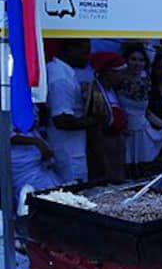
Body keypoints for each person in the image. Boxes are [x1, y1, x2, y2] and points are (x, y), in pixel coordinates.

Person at [117, 43, 162, 191]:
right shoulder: (117, 79)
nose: (137, 63)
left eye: (141, 60)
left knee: (146, 172)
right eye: (133, 59)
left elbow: (146, 112)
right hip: (125, 132)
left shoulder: (146, 81)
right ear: (126, 60)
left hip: (143, 131)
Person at [45, 39, 94, 183]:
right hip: (68, 152)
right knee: (72, 193)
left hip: (70, 148)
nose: (88, 57)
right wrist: (93, 121)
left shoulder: (60, 71)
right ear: (70, 49)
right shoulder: (61, 78)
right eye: (84, 52)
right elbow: (62, 120)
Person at [85, 53, 129, 183]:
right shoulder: (96, 93)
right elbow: (95, 125)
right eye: (120, 73)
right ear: (109, 73)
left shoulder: (112, 91)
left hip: (116, 142)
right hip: (103, 144)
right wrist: (101, 158)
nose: (122, 77)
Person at [11, 108, 63, 202]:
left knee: (53, 191)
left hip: (36, 160)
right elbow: (9, 135)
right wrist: (37, 142)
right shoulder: (5, 104)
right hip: (20, 162)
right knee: (28, 194)